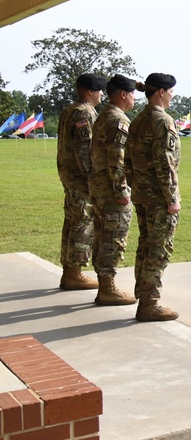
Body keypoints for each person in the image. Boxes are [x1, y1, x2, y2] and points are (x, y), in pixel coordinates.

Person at [126, 73, 182, 321]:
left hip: (141, 193)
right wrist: (172, 198)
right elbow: (165, 163)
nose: (172, 96)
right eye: (170, 91)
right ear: (160, 92)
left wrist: (134, 186)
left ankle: (143, 296)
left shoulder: (138, 119)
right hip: (159, 197)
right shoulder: (162, 120)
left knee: (146, 245)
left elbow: (126, 160)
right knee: (158, 249)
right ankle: (149, 303)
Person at [89, 75, 141, 305]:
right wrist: (122, 191)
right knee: (113, 237)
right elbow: (117, 159)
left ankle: (104, 284)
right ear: (122, 95)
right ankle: (107, 288)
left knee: (101, 236)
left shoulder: (103, 116)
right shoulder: (119, 121)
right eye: (132, 94)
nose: (134, 98)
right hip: (112, 190)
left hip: (99, 187)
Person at [56, 73, 106, 290]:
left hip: (69, 175)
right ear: (90, 91)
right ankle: (74, 273)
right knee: (83, 223)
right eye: (100, 90)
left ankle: (70, 271)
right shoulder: (83, 112)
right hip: (81, 179)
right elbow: (86, 151)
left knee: (72, 222)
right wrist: (93, 179)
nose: (102, 94)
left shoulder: (70, 110)